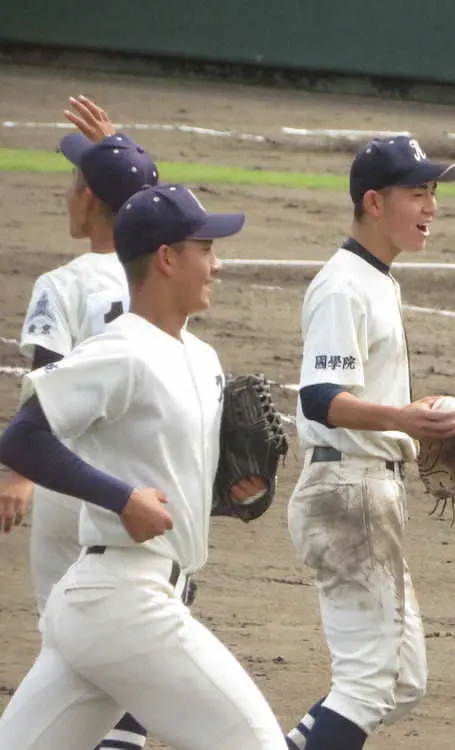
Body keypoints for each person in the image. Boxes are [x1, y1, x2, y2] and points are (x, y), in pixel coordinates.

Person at [0, 183, 287, 750]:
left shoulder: (203, 359)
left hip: (106, 606)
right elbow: (22, 439)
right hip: (126, 601)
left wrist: (230, 495)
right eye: (206, 248)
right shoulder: (120, 350)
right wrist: (119, 497)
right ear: (166, 258)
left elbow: (177, 483)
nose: (217, 264)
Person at [283, 136, 455, 750]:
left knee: (403, 680)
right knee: (367, 685)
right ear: (372, 201)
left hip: (367, 491)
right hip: (347, 492)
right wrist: (404, 420)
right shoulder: (344, 286)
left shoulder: (376, 279)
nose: (431, 206)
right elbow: (321, 398)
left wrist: (405, 427)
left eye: (433, 192)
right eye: (418, 192)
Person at [0, 95, 158, 750]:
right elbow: (162, 210)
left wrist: (16, 473)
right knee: (136, 650)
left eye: (74, 184)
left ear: (90, 199)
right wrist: (125, 151)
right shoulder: (163, 270)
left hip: (73, 486)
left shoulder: (62, 284)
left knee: (69, 648)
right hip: (151, 485)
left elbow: (50, 390)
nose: (66, 195)